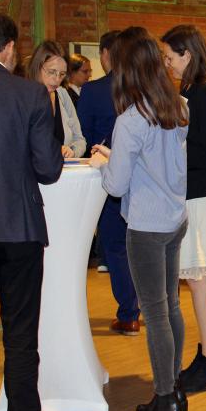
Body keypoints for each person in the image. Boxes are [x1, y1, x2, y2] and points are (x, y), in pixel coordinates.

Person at [89, 26, 189, 411]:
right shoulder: (180, 106)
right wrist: (118, 157)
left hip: (146, 226)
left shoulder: (131, 120)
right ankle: (175, 389)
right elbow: (157, 163)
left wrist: (103, 165)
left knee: (154, 313)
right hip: (175, 218)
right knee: (171, 306)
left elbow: (116, 186)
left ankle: (164, 398)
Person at [0, 13, 71, 411]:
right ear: (9, 49)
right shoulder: (29, 94)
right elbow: (48, 170)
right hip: (18, 227)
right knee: (21, 331)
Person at [161, 25, 206, 392]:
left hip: (203, 197)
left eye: (170, 57)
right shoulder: (192, 88)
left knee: (201, 284)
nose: (167, 64)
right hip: (196, 195)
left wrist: (170, 160)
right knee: (199, 283)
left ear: (187, 54)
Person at [76, 30, 141, 335]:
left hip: (109, 176)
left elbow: (85, 138)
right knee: (139, 245)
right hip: (143, 179)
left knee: (114, 246)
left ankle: (129, 312)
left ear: (104, 54)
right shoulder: (142, 89)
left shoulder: (92, 91)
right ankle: (143, 309)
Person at [27, 41, 86, 158]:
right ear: (38, 66)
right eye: (52, 72)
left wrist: (72, 151)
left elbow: (80, 139)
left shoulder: (62, 94)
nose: (56, 80)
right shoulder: (22, 97)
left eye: (62, 74)